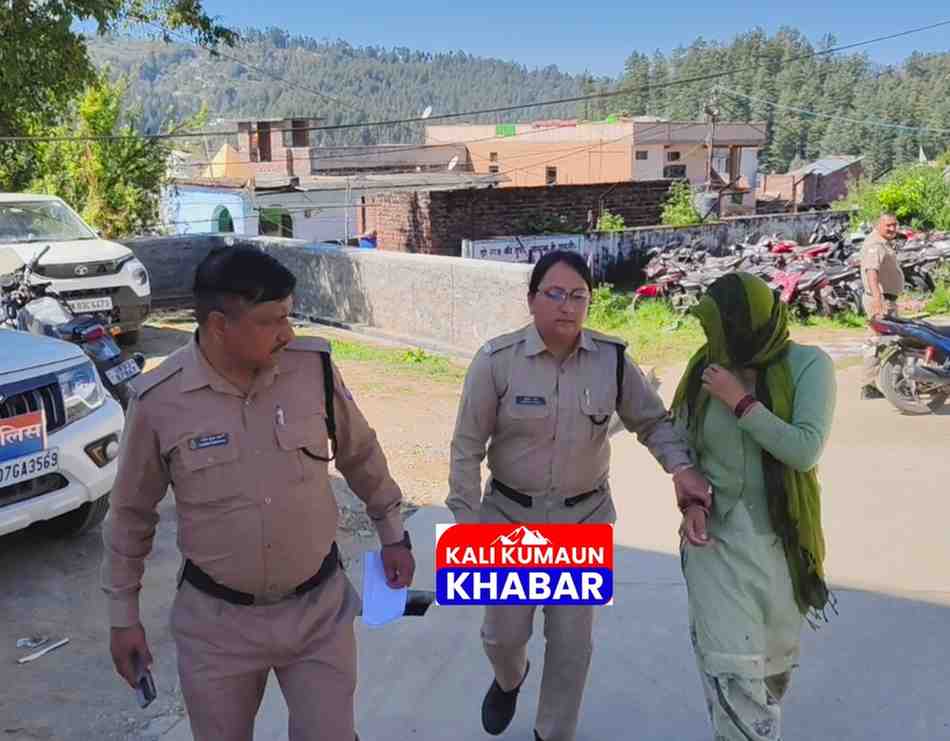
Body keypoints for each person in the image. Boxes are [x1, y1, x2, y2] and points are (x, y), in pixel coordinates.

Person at [101, 245, 415, 741]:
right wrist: (124, 618)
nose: (287, 333)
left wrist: (394, 534)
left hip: (318, 612)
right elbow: (130, 516)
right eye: (272, 321)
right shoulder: (160, 401)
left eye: (288, 316)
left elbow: (361, 454)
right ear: (219, 326)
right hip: (217, 628)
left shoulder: (312, 369)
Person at [447, 250, 712, 741]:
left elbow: (653, 422)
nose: (566, 305)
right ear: (531, 300)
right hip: (509, 520)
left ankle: (552, 733)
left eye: (578, 296)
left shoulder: (612, 362)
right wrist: (467, 523)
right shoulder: (496, 362)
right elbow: (466, 448)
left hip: (583, 521)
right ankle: (510, 679)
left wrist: (681, 467)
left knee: (572, 647)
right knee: (502, 637)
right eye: (554, 294)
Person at [671, 272, 836, 741]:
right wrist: (691, 501)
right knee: (734, 674)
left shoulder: (808, 366)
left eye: (720, 328)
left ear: (748, 324)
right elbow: (681, 447)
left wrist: (740, 402)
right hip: (717, 548)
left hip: (781, 548)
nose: (712, 339)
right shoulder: (703, 370)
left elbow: (804, 450)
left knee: (770, 676)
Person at [859, 213, 904, 399]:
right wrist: (878, 300)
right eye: (888, 225)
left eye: (895, 225)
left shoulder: (883, 242)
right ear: (878, 225)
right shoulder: (875, 245)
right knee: (876, 342)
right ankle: (868, 385)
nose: (892, 229)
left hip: (886, 300)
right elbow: (872, 273)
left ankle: (895, 382)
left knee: (892, 341)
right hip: (880, 301)